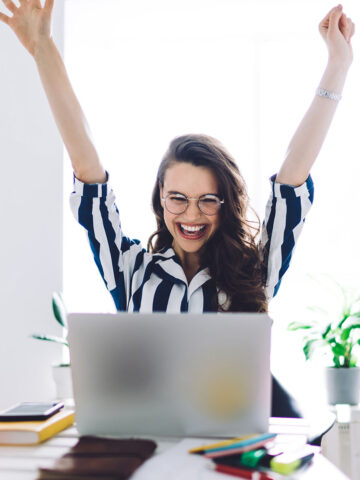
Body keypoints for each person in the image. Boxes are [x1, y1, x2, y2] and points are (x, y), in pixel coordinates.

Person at [0, 1, 354, 420]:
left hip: (231, 449)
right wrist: (43, 47)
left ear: (225, 204)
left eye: (208, 200)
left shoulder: (254, 269)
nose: (192, 215)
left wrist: (338, 64)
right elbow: (86, 162)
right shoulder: (131, 270)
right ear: (160, 199)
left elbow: (293, 173)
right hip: (148, 441)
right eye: (178, 198)